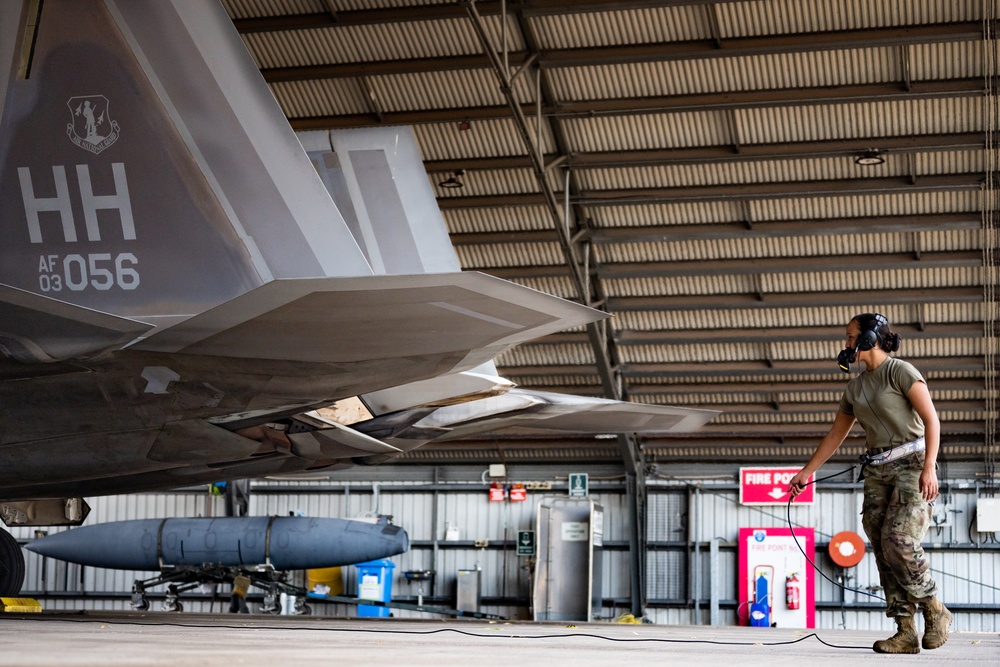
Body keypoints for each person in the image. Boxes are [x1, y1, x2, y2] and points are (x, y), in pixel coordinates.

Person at [787, 313, 951, 654]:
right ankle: (904, 631)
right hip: (877, 471)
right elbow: (836, 434)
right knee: (881, 548)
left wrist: (930, 467)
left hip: (913, 464)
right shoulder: (855, 387)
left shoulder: (900, 372)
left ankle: (934, 607)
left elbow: (932, 419)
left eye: (851, 336)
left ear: (870, 337)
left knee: (899, 540)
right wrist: (807, 471)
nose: (847, 343)